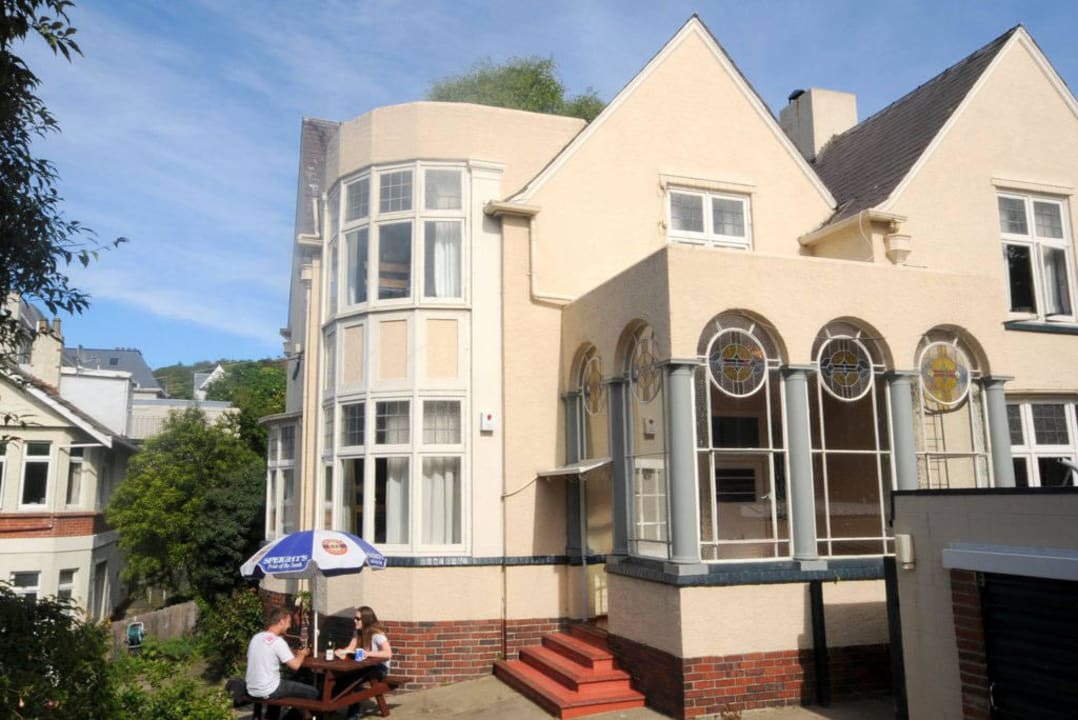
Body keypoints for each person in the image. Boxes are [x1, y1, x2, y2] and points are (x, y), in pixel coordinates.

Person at [246, 607, 318, 719]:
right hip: (268, 690)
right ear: (281, 621)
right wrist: (302, 654)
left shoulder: (256, 638)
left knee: (285, 683)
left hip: (252, 688)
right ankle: (303, 716)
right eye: (288, 622)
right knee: (313, 692)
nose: (289, 626)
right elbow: (295, 666)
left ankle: (277, 716)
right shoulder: (278, 641)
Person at [334, 605, 392, 720]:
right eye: (354, 618)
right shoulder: (358, 632)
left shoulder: (377, 634)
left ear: (366, 620)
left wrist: (368, 653)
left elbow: (388, 653)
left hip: (379, 668)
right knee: (340, 678)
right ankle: (333, 707)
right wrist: (342, 652)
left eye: (358, 619)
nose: (355, 621)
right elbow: (350, 648)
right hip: (364, 667)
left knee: (352, 680)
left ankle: (353, 712)